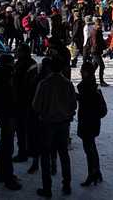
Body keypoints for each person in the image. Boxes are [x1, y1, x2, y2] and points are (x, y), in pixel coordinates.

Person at [32, 57, 77, 198]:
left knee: (45, 155)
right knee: (64, 154)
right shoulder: (68, 84)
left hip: (47, 123)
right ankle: (67, 184)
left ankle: (47, 188)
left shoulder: (44, 84)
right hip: (63, 124)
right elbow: (73, 105)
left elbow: (36, 105)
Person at [0, 53, 22, 190]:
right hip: (8, 113)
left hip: (1, 112)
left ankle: (1, 174)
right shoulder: (8, 75)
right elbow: (12, 95)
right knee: (7, 146)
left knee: (5, 144)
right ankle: (7, 177)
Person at [76, 62, 107, 187]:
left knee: (89, 149)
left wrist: (76, 97)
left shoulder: (85, 87)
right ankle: (96, 172)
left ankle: (92, 174)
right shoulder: (94, 86)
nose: (80, 72)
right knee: (92, 148)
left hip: (86, 122)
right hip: (94, 122)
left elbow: (86, 102)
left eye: (82, 70)